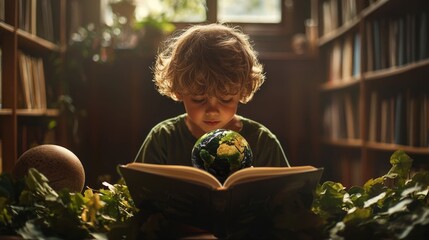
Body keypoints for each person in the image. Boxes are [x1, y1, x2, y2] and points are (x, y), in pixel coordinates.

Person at [135, 23, 290, 168]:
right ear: (179, 90)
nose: (212, 111)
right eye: (198, 99)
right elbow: (140, 191)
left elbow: (287, 193)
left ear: (243, 91)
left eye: (226, 99)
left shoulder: (262, 141)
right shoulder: (163, 139)